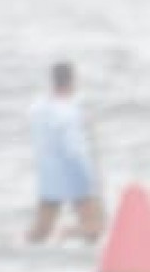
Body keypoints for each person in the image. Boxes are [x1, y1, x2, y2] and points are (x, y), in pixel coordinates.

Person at [27, 61, 105, 242]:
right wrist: (90, 175)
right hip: (73, 173)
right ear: (72, 81)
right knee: (94, 226)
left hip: (48, 175)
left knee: (39, 231)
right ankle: (67, 233)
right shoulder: (70, 112)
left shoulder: (38, 108)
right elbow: (74, 149)